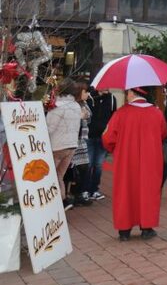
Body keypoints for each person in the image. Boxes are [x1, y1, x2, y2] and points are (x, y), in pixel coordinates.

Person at [102, 87, 167, 240]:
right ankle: (147, 227)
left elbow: (108, 138)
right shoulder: (156, 113)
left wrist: (113, 149)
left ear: (132, 93)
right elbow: (163, 133)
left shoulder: (121, 113)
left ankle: (124, 230)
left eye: (127, 93)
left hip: (126, 159)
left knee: (125, 190)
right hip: (150, 159)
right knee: (148, 190)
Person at [46, 78, 83, 211]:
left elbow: (49, 128)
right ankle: (62, 203)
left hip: (57, 146)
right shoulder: (76, 106)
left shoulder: (57, 106)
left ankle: (57, 205)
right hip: (71, 145)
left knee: (49, 177)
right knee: (59, 176)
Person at [85, 87, 116, 201]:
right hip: (89, 135)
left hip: (103, 137)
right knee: (88, 163)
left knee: (98, 164)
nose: (107, 87)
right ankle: (85, 190)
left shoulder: (112, 99)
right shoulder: (90, 97)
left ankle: (94, 189)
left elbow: (113, 117)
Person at [69, 82, 93, 207]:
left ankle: (78, 193)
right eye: (85, 92)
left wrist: (84, 115)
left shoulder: (84, 104)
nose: (88, 94)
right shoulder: (73, 105)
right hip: (74, 139)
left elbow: (89, 118)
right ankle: (73, 194)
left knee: (83, 168)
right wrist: (80, 116)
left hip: (83, 139)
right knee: (76, 168)